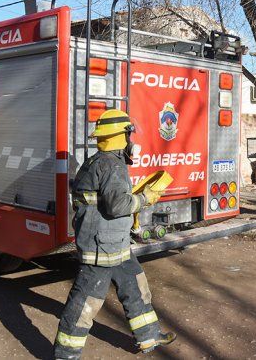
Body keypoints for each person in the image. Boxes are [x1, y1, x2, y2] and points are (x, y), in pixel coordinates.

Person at [54, 109, 176, 358]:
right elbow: (117, 205)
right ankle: (65, 354)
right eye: (129, 134)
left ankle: (149, 336)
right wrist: (145, 199)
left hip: (114, 243)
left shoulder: (100, 160)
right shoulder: (112, 165)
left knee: (136, 287)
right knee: (85, 302)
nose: (132, 140)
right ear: (121, 137)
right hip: (102, 247)